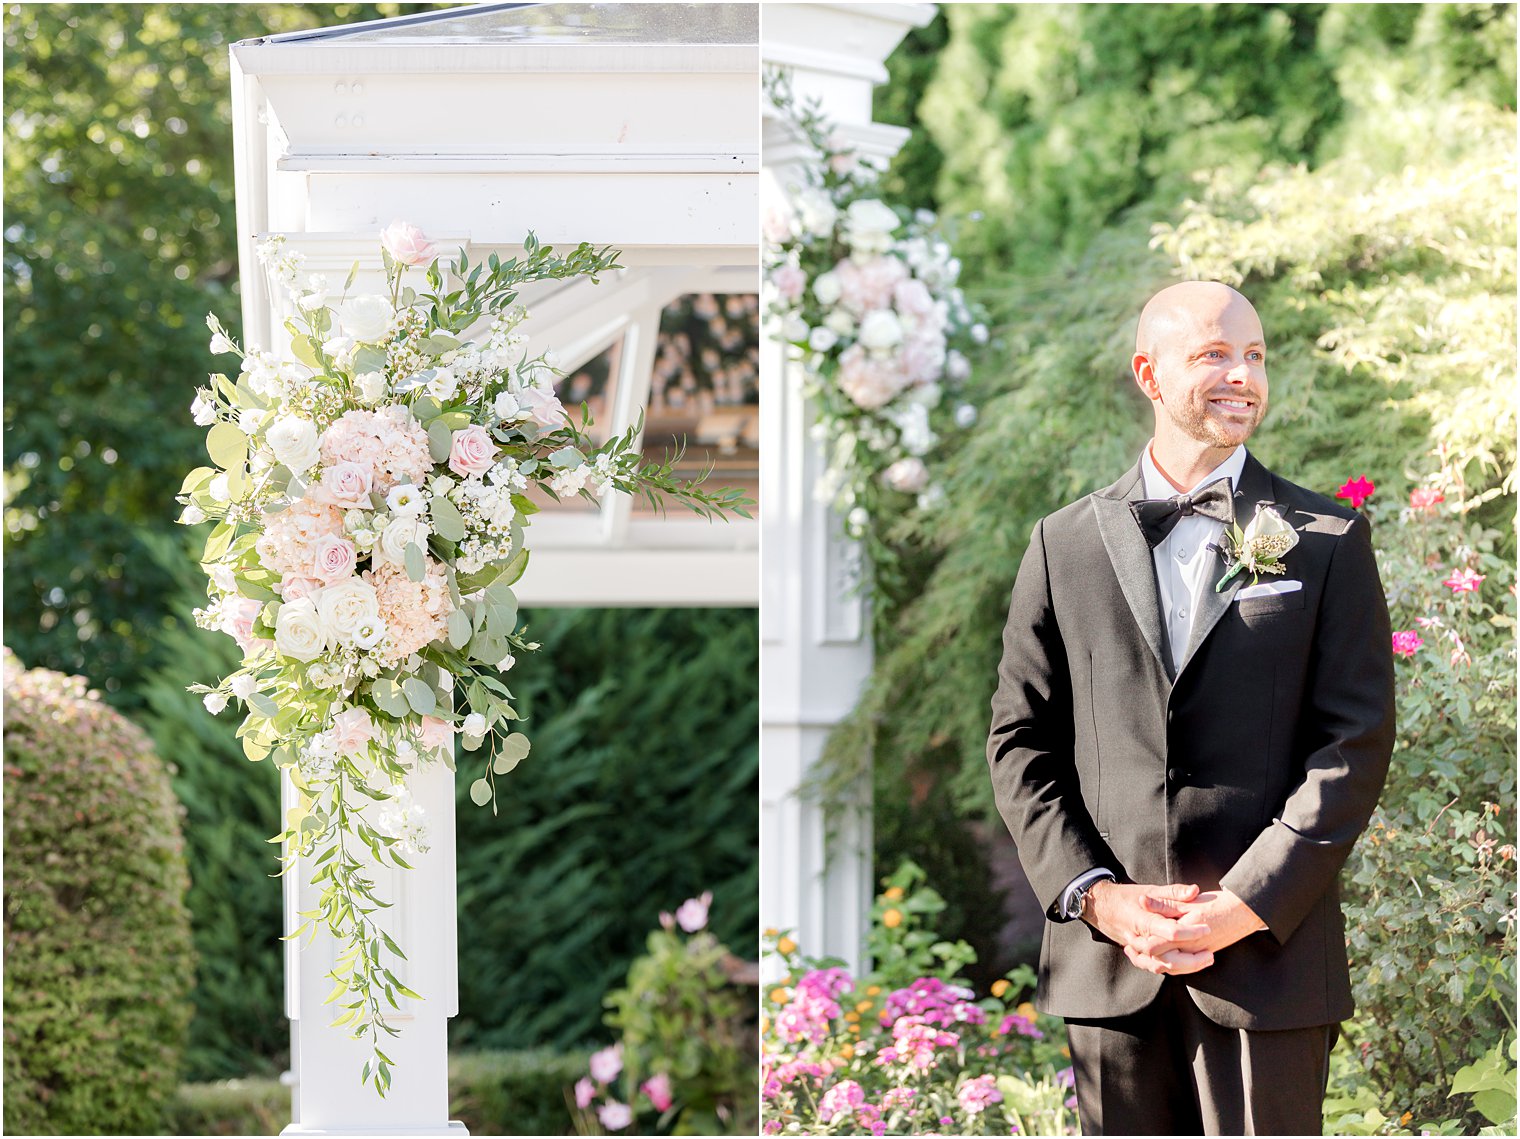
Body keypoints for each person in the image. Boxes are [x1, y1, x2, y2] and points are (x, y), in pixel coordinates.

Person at [985, 281, 1396, 1136]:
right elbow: (1022, 742)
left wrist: (1245, 902)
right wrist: (1098, 897)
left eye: (1254, 356)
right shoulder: (1063, 545)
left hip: (1266, 964)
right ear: (1149, 372)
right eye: (1214, 354)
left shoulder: (1327, 541)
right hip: (1110, 972)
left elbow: (1352, 746)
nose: (1241, 375)